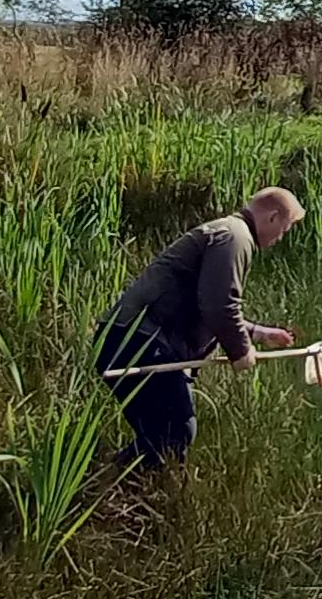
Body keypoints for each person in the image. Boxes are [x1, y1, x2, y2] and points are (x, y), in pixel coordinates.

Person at [94, 186, 305, 469]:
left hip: (130, 339)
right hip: (138, 342)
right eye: (285, 229)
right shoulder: (236, 237)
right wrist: (241, 351)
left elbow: (202, 303)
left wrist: (257, 332)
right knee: (175, 432)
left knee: (164, 433)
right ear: (273, 217)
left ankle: (111, 478)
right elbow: (218, 305)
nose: (281, 237)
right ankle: (116, 479)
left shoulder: (231, 233)